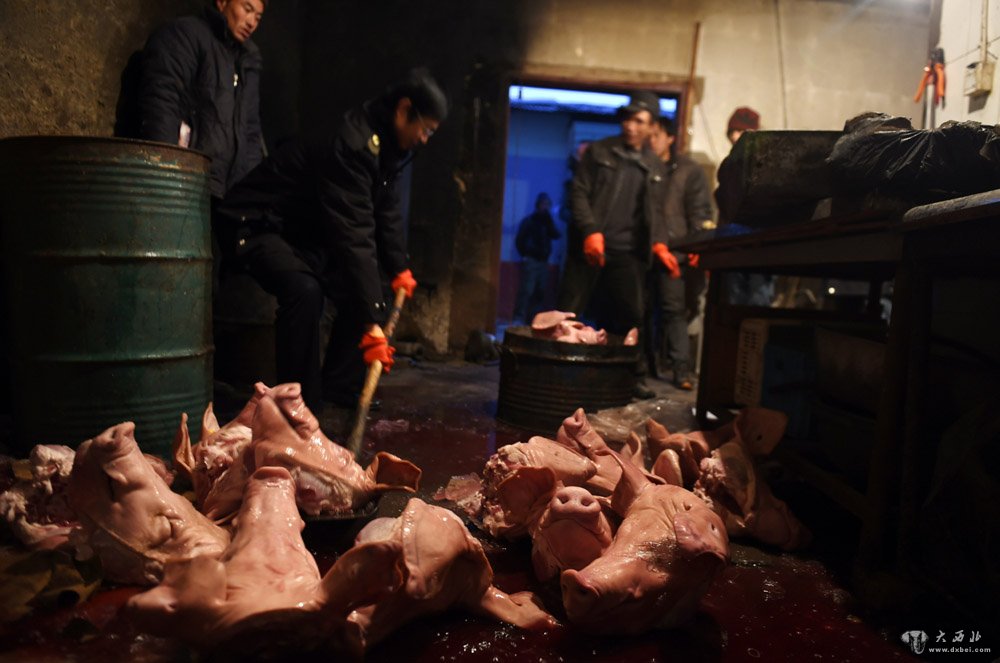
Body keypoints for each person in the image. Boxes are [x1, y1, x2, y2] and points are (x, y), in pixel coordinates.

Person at [214, 68, 448, 411]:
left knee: (372, 290)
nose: (425, 139)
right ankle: (299, 407)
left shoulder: (385, 149)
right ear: (403, 111)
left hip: (296, 230)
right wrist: (372, 325)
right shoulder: (353, 144)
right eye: (425, 129)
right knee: (305, 290)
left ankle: (339, 388)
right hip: (254, 221)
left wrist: (399, 268)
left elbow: (385, 210)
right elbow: (355, 234)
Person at [557, 91, 668, 399]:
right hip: (591, 247)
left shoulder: (655, 166)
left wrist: (659, 243)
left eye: (639, 121)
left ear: (652, 127)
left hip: (627, 252)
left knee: (631, 317)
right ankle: (556, 372)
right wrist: (590, 231)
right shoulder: (600, 152)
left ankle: (630, 379)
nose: (631, 126)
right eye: (628, 119)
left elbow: (657, 211)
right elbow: (578, 192)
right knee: (568, 313)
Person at [135, 0, 267, 199]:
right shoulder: (186, 35)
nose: (251, 22)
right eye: (247, 9)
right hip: (187, 183)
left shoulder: (247, 61)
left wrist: (249, 195)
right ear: (222, 2)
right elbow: (161, 103)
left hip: (228, 195)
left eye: (258, 17)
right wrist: (165, 174)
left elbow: (251, 130)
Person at [647, 116, 713, 390]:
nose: (651, 140)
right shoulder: (642, 167)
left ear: (670, 137)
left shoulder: (688, 170)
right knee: (640, 311)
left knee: (674, 310)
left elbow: (700, 211)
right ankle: (642, 368)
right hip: (644, 250)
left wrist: (697, 246)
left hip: (675, 252)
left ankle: (680, 369)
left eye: (656, 135)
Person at [719, 106, 775, 306]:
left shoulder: (768, 162)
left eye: (741, 131)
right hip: (733, 244)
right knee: (733, 301)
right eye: (733, 131)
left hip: (760, 244)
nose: (735, 136)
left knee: (758, 300)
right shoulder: (728, 165)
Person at [513, 193, 560, 324]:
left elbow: (556, 235)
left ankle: (532, 320)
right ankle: (518, 318)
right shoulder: (530, 220)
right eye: (544, 204)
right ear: (538, 205)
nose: (546, 207)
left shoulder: (547, 222)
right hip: (531, 260)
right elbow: (520, 240)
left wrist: (549, 221)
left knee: (539, 291)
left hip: (543, 262)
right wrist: (525, 255)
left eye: (548, 205)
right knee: (527, 291)